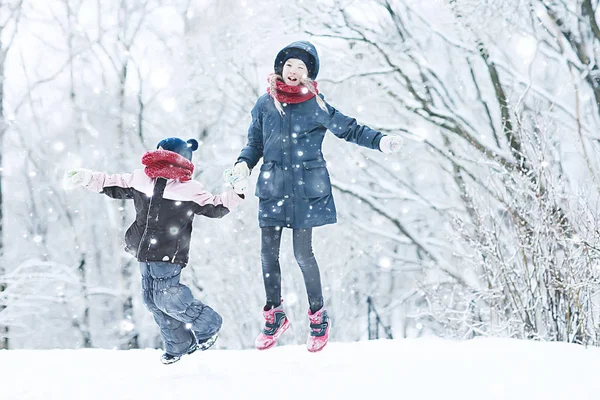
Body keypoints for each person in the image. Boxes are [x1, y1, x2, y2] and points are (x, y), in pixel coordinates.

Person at [228, 41, 402, 353]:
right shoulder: (264, 104)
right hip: (272, 187)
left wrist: (380, 141)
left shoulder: (315, 104)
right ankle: (274, 315)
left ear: (308, 74)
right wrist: (243, 165)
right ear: (281, 67)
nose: (293, 71)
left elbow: (349, 129)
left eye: (300, 67)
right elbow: (254, 143)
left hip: (305, 189)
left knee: (302, 254)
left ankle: (318, 317)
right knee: (267, 255)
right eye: (289, 65)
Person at [64, 137, 247, 364]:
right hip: (143, 250)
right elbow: (112, 183)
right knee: (151, 300)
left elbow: (217, 207)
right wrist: (87, 178)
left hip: (169, 252)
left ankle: (208, 324)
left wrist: (238, 191)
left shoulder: (189, 188)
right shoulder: (141, 178)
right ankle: (179, 343)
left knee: (167, 297)